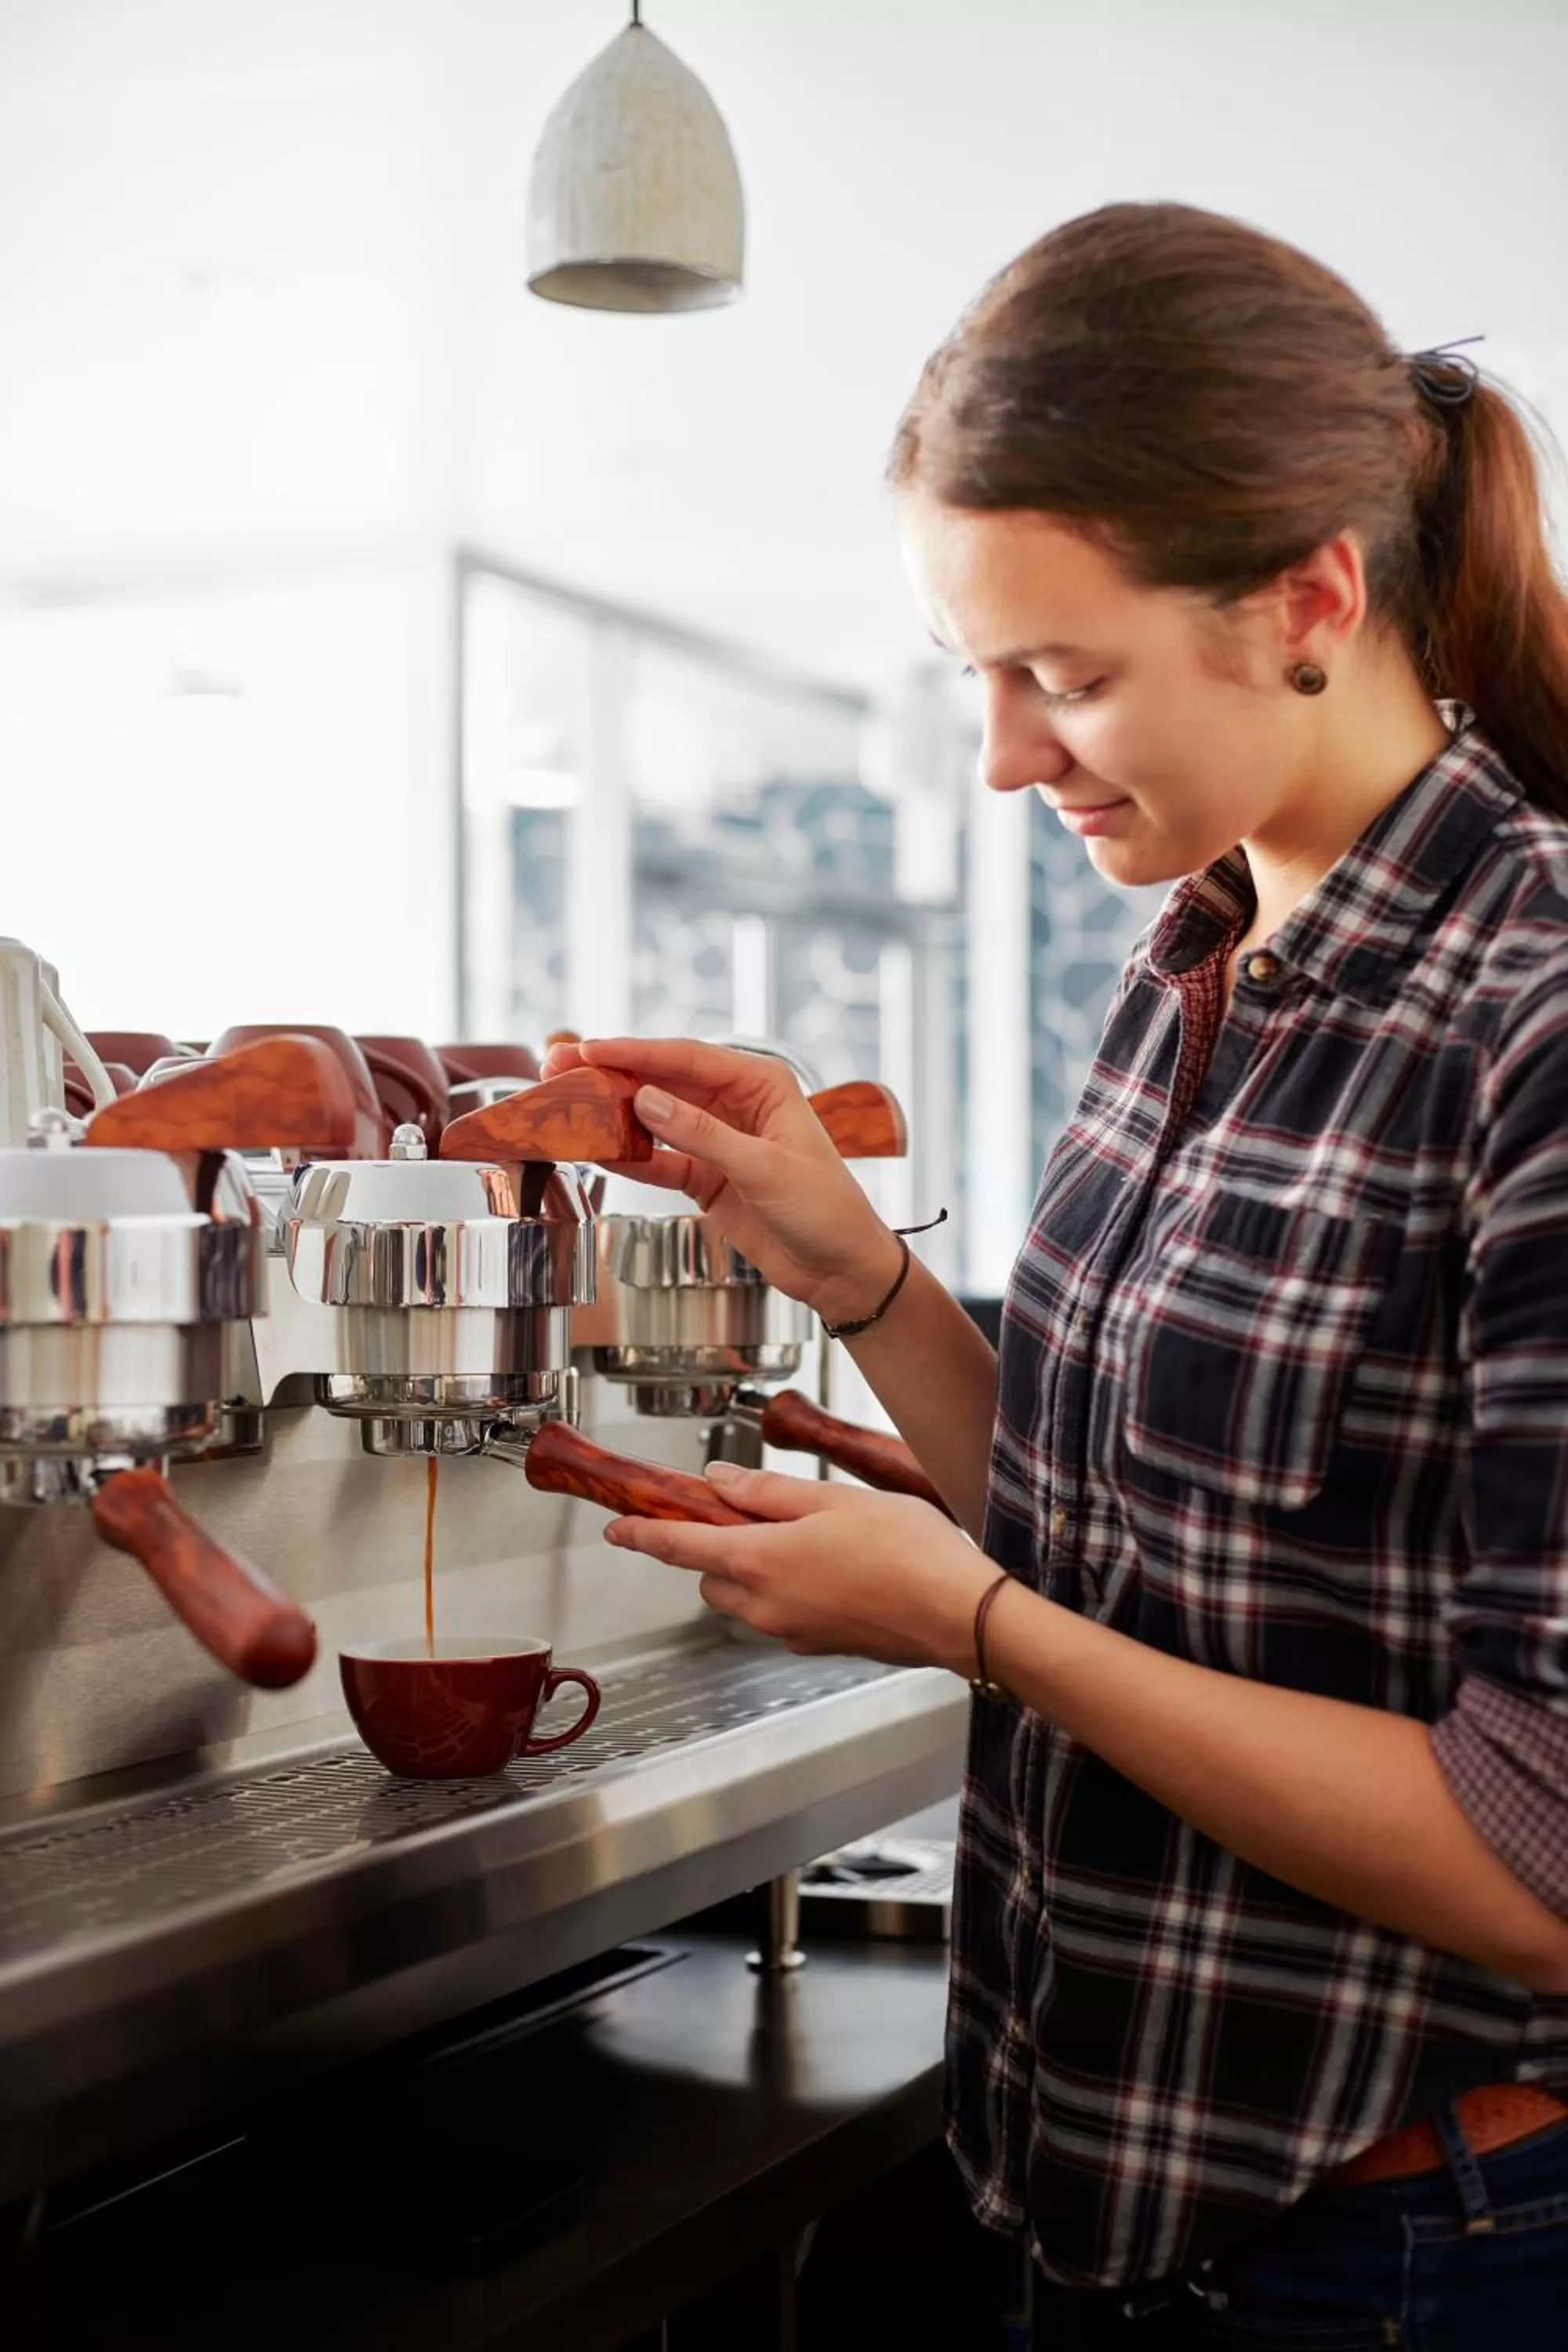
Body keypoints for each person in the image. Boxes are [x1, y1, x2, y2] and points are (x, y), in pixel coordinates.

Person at [543, 202, 1568, 2344]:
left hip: (1396, 2251)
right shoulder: (1188, 959)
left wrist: (979, 1629)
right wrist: (857, 1274)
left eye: (1067, 675)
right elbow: (1131, 1537)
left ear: (1309, 603)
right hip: (1088, 2187)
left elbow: (1534, 1857)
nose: (1008, 756)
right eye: (979, 676)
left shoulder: (1536, 1016)